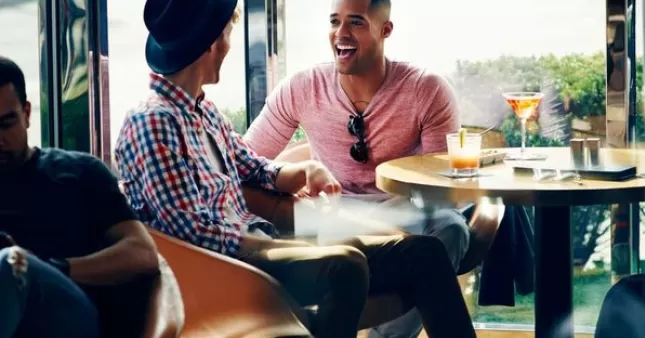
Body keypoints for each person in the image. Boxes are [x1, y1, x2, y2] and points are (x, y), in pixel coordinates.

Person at [113, 1, 476, 337]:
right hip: (232, 262)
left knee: (425, 253)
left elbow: (251, 165)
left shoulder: (203, 112)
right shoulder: (153, 123)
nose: (228, 46)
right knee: (344, 265)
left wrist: (301, 172)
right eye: (227, 36)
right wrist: (274, 239)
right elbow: (189, 233)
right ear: (211, 45)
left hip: (264, 243)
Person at [243, 1, 470, 335]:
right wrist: (293, 183)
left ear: (385, 30)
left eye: (357, 23)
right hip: (329, 214)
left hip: (404, 210)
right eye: (334, 21)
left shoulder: (427, 89)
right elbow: (246, 161)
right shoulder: (302, 87)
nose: (341, 33)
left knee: (452, 227)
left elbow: (438, 189)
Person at [0, 56, 159, 338]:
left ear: (26, 113)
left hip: (71, 318)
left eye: (6, 123)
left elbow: (142, 253)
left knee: (11, 264)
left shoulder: (79, 173)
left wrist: (55, 267)